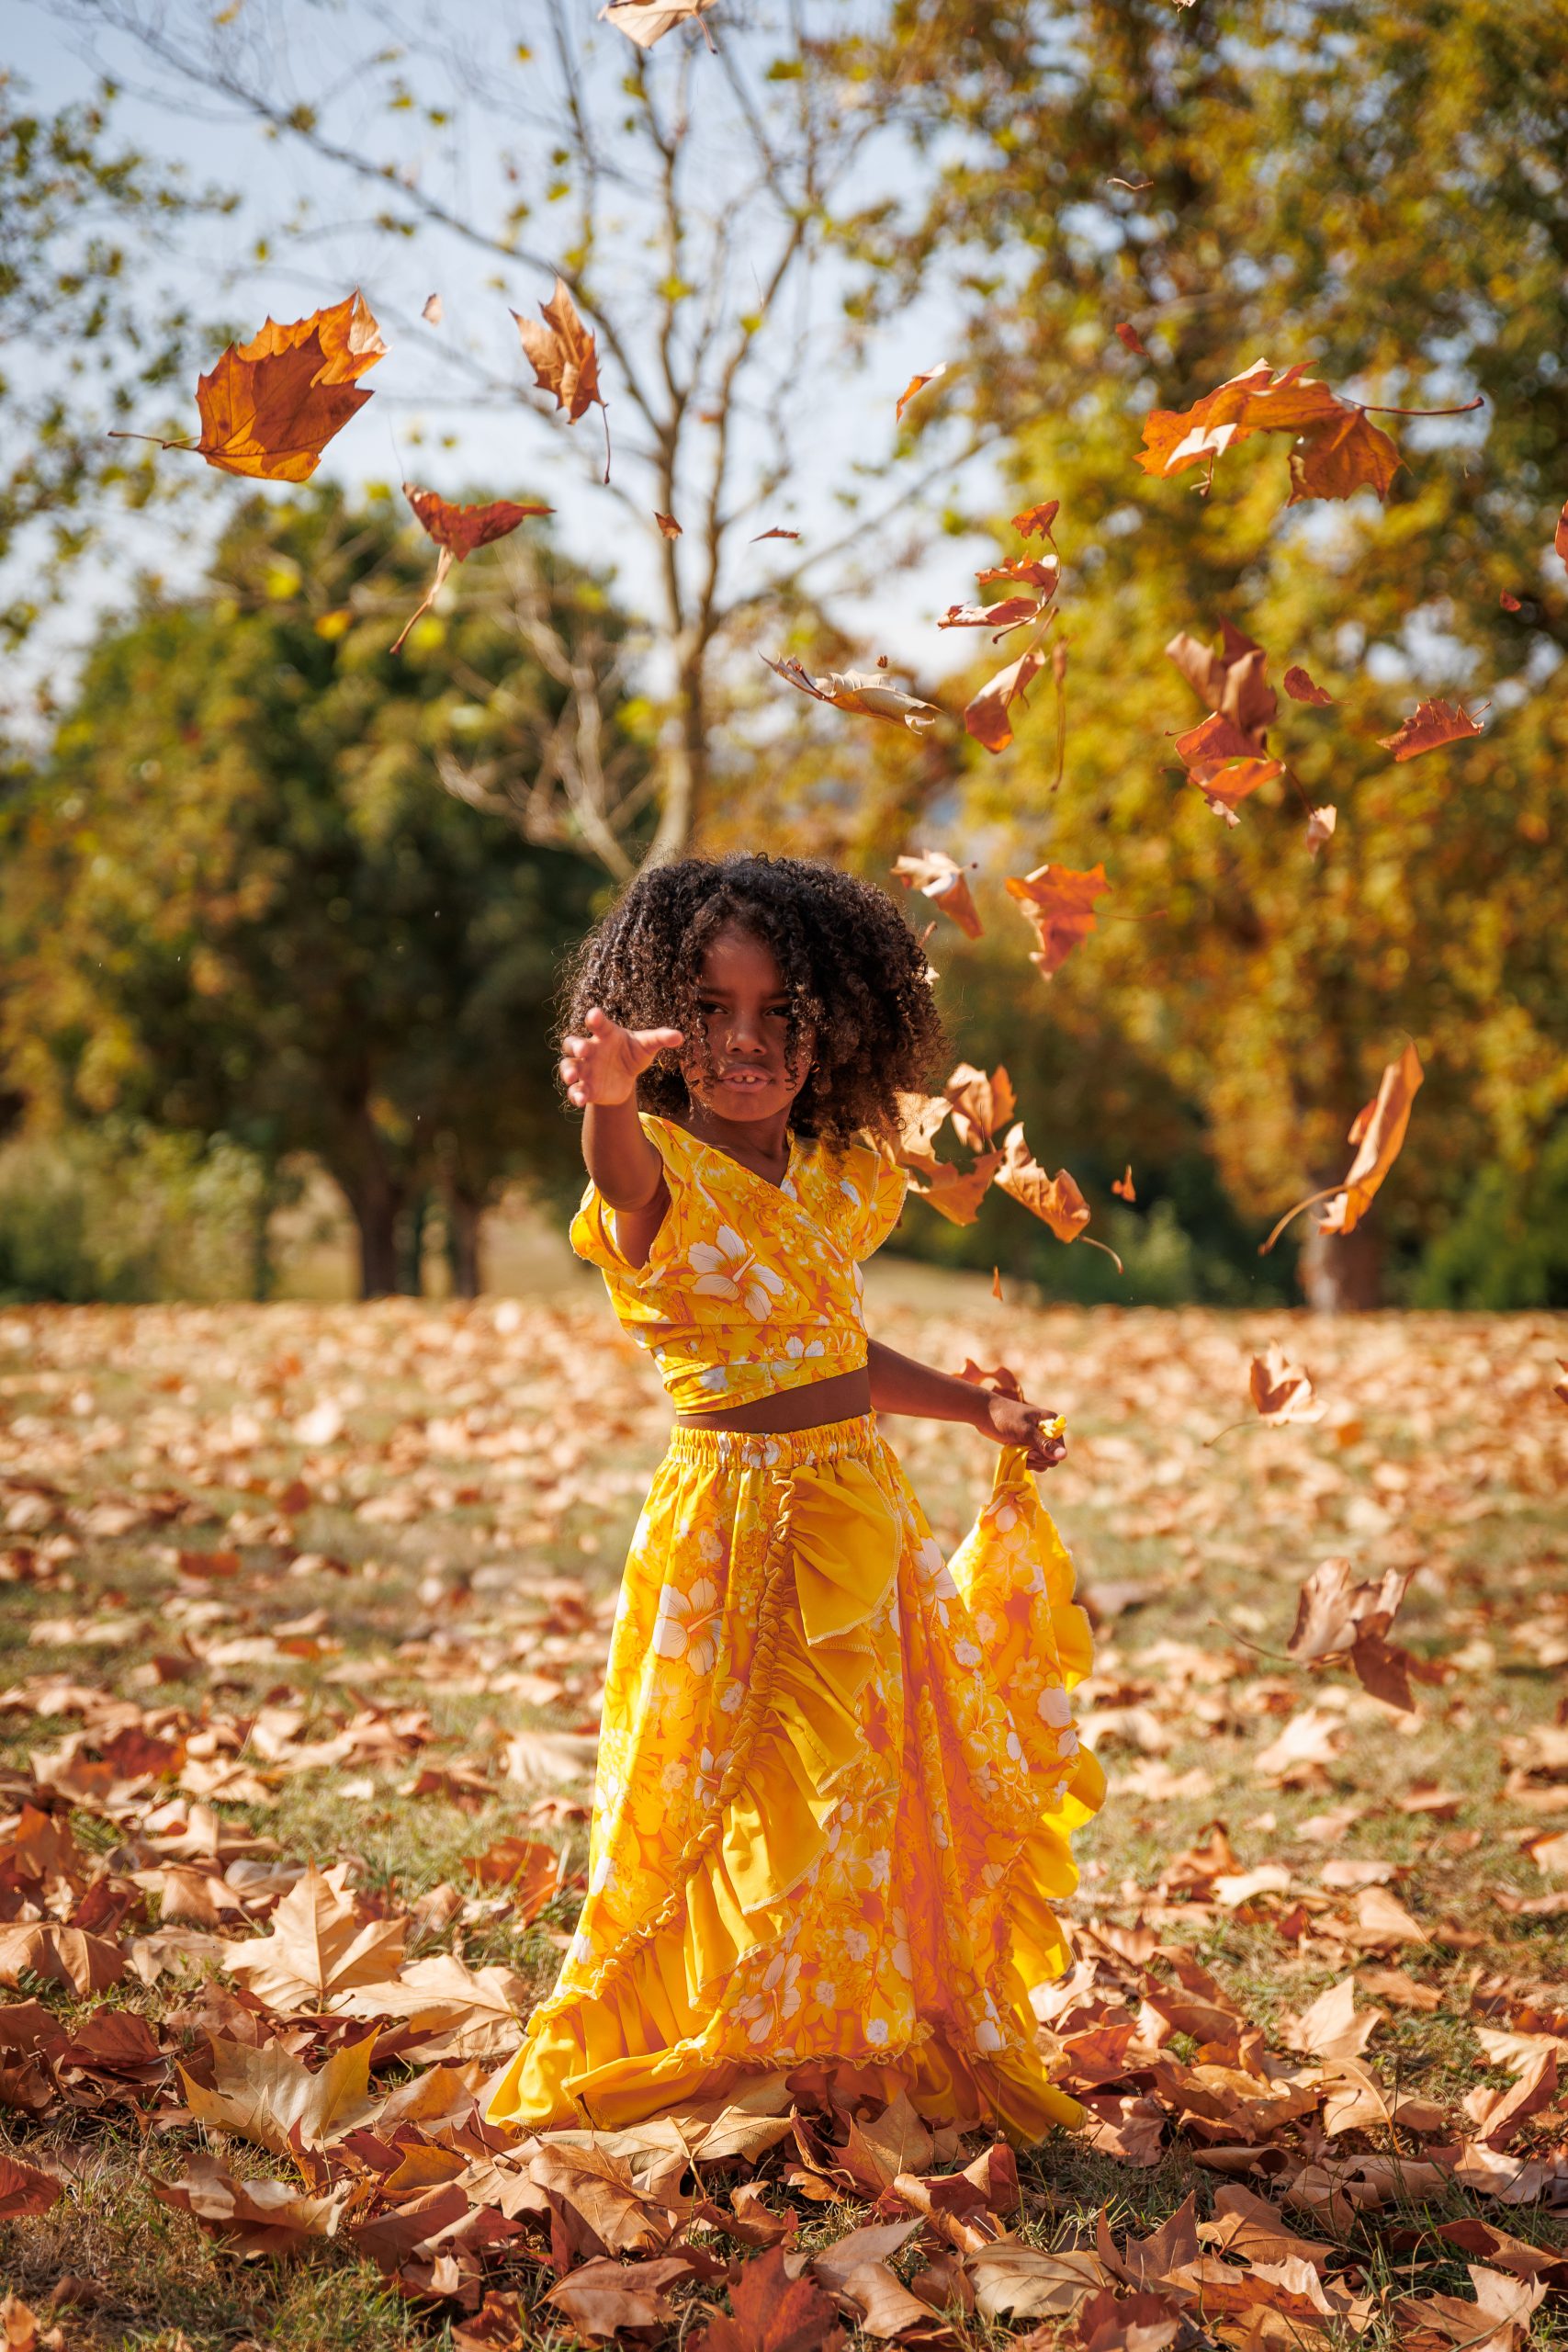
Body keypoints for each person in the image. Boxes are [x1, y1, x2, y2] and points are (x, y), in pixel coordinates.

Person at [486, 854, 1102, 2143]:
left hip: (857, 1515)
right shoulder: (656, 1168)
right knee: (725, 1792)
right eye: (709, 1015)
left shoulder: (834, 1182)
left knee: (865, 1781)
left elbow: (833, 1356)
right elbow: (616, 1179)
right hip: (729, 1533)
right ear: (667, 1029)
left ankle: (838, 2041)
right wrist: (605, 1099)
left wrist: (973, 1404)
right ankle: (708, 2043)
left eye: (780, 1015)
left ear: (835, 1030)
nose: (747, 1045)